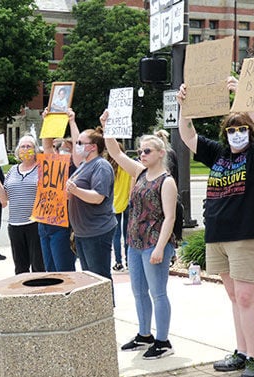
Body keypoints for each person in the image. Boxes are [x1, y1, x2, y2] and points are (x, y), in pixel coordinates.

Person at [176, 82, 254, 377]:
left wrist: (244, 96)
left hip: (248, 235)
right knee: (234, 297)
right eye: (232, 129)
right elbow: (188, 136)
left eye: (242, 128)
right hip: (218, 235)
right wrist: (186, 107)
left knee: (246, 297)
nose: (237, 133)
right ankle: (241, 351)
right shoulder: (219, 153)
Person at [103, 110, 178, 359]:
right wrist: (107, 127)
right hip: (134, 243)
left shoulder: (166, 181)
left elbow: (170, 217)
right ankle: (144, 334)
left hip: (154, 243)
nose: (142, 154)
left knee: (158, 292)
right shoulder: (140, 173)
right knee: (138, 291)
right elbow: (116, 153)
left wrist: (159, 248)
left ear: (160, 153)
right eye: (140, 151)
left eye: (147, 151)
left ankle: (163, 341)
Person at [0, 135, 44, 274]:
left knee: (38, 265)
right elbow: (4, 197)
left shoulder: (41, 169)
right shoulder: (13, 170)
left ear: (35, 149)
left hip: (35, 224)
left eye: (29, 146)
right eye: (22, 146)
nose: (25, 149)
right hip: (15, 225)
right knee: (20, 266)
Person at [65, 124, 117, 281]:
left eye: (81, 143)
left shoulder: (101, 166)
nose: (77, 146)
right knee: (90, 278)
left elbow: (98, 196)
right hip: (83, 232)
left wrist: (75, 191)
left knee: (99, 278)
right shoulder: (84, 165)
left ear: (93, 147)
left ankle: (107, 305)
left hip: (97, 231)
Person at [39, 109, 79, 272]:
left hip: (63, 225)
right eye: (59, 147)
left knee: (64, 271)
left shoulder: (75, 168)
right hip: (45, 222)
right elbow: (47, 145)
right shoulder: (53, 164)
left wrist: (71, 121)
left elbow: (78, 147)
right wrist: (48, 121)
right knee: (50, 270)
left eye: (65, 148)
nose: (60, 151)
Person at [106, 141, 132, 272]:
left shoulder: (109, 167)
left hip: (113, 204)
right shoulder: (127, 167)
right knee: (127, 233)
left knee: (116, 235)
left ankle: (118, 261)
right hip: (127, 202)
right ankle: (128, 260)